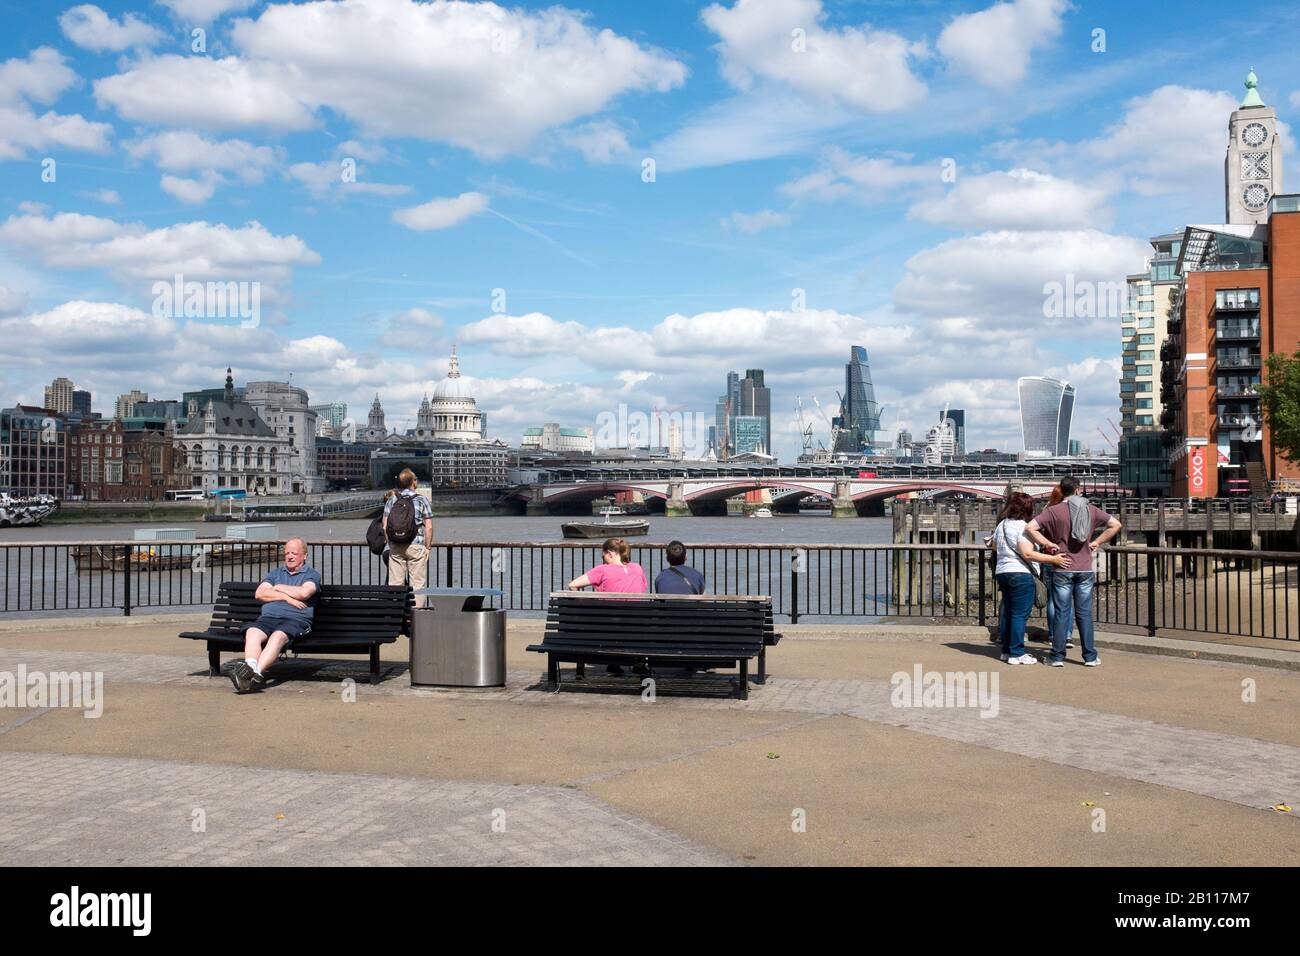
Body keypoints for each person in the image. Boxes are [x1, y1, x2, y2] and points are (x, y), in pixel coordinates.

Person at [1025, 476, 1123, 667]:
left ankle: (1057, 657)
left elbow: (1030, 527)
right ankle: (1090, 656)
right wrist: (1097, 542)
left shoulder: (1053, 511)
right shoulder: (1090, 509)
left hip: (1062, 566)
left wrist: (1047, 543)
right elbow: (1116, 524)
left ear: (1061, 490)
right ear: (1078, 490)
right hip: (1086, 567)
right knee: (1084, 613)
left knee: (1062, 612)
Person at [230, 538, 323, 693]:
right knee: (252, 632)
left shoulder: (311, 574)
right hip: (268, 619)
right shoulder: (275, 573)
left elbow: (304, 592)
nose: (290, 556)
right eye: (287, 553)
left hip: (295, 620)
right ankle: (249, 670)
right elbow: (259, 593)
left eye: (294, 553)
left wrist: (278, 587)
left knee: (277, 637)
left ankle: (253, 675)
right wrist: (285, 597)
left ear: (304, 556)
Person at [988, 492, 1071, 665]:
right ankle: (1017, 653)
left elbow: (994, 546)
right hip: (1020, 574)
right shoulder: (1021, 527)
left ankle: (1007, 651)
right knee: (1019, 615)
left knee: (1010, 612)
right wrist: (1053, 559)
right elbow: (1027, 553)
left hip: (1003, 572)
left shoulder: (1002, 524)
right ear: (1027, 508)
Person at [384, 469, 433, 591]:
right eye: (416, 478)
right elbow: (429, 526)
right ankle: (417, 609)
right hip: (416, 545)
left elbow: (385, 526)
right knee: (417, 584)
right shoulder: (422, 500)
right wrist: (427, 547)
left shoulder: (392, 500)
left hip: (396, 545)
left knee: (395, 583)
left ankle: (397, 609)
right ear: (413, 482)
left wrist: (391, 543)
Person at [1039, 485, 1074, 650]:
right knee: (1068, 600)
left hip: (1049, 557)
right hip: (1069, 558)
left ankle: (1053, 635)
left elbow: (1034, 531)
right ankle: (1067, 635)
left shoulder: (1047, 511)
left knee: (1052, 599)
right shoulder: (1070, 511)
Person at [568, 537, 647, 593]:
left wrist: (580, 603)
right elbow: (643, 588)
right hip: (636, 615)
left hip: (608, 615)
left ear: (609, 554)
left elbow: (572, 585)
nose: (603, 559)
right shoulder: (637, 568)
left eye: (603, 556)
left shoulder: (603, 570)